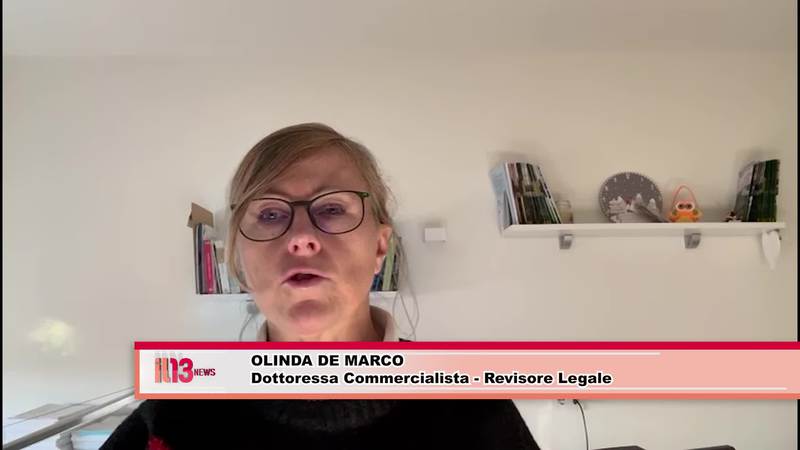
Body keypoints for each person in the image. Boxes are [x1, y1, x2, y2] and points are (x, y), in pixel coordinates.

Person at [101, 123, 540, 449]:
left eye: (331, 208)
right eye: (270, 214)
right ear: (238, 258)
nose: (300, 237)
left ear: (380, 246)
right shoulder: (173, 418)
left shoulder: (473, 407)